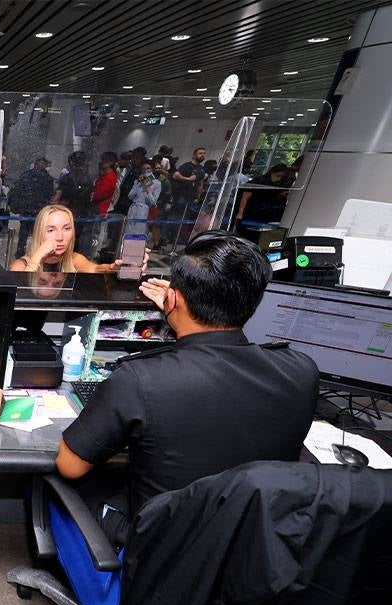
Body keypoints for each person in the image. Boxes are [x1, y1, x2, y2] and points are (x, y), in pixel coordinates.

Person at [54, 230, 319, 545]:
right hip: (250, 544)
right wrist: (179, 308)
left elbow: (69, 466)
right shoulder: (302, 370)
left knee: (65, 479)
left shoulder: (140, 379)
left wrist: (177, 306)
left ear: (173, 298)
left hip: (158, 547)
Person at [10, 204, 143, 273]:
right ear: (39, 233)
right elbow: (19, 293)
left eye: (67, 228)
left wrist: (115, 268)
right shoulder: (21, 265)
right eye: (51, 230)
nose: (60, 237)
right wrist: (38, 255)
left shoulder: (74, 260)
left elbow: (96, 269)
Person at [170, 147, 207, 220]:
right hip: (182, 196)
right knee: (175, 218)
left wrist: (198, 197)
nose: (202, 155)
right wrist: (188, 179)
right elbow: (175, 175)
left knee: (186, 219)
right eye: (200, 153)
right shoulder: (187, 165)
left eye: (204, 153)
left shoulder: (202, 169)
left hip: (192, 198)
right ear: (194, 155)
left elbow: (200, 184)